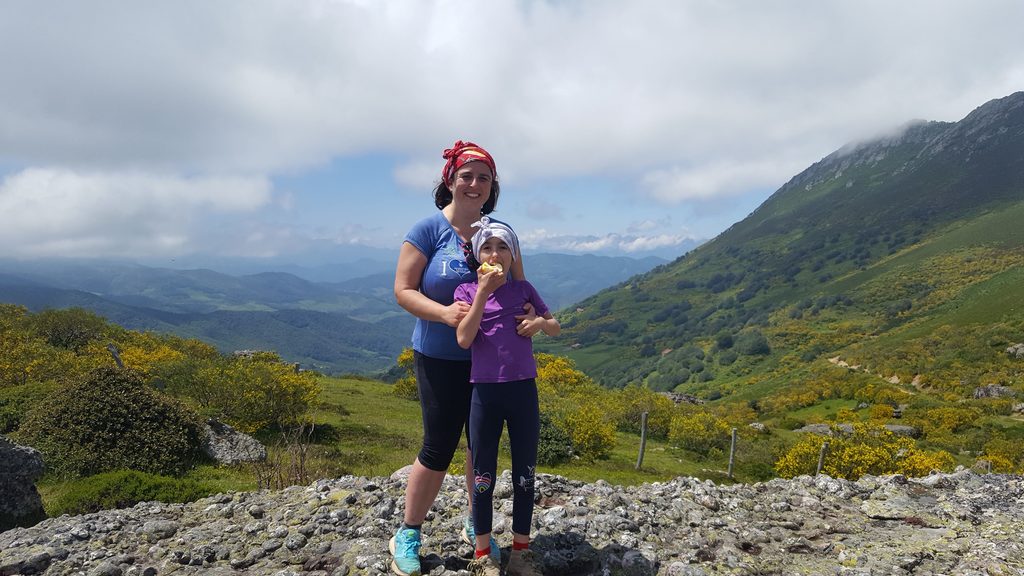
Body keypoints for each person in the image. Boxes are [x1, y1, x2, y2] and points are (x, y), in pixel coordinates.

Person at [391, 140, 541, 576]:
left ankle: (476, 524)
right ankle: (409, 531)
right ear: (450, 181)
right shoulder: (426, 231)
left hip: (490, 362)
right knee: (438, 446)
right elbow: (402, 290)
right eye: (467, 176)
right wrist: (444, 313)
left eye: (484, 178)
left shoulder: (499, 232)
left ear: (493, 187)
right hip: (439, 357)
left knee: (483, 446)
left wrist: (532, 316)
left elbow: (519, 289)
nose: (475, 185)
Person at [454, 218, 560, 576]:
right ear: (477, 255)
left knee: (525, 473)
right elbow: (464, 339)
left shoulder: (525, 289)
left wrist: (540, 325)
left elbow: (556, 326)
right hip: (483, 391)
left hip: (522, 390)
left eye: (503, 247)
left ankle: (520, 550)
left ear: (513, 254)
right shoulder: (467, 292)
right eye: (487, 247)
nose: (495, 254)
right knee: (483, 474)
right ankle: (483, 554)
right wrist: (483, 291)